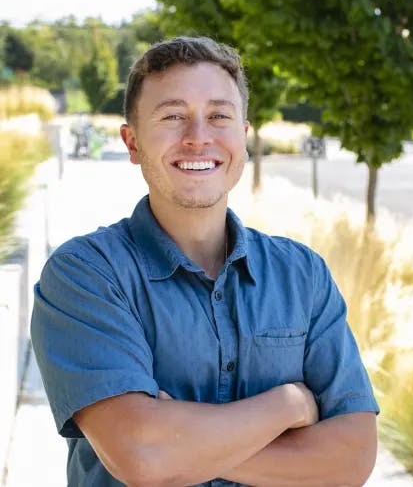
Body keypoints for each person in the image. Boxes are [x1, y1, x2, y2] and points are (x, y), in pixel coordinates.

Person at [31, 36, 379, 487]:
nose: (198, 137)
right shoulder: (85, 274)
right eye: (172, 116)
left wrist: (179, 444)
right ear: (132, 142)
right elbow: (142, 455)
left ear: (244, 138)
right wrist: (287, 406)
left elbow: (351, 459)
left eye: (219, 116)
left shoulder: (302, 274)